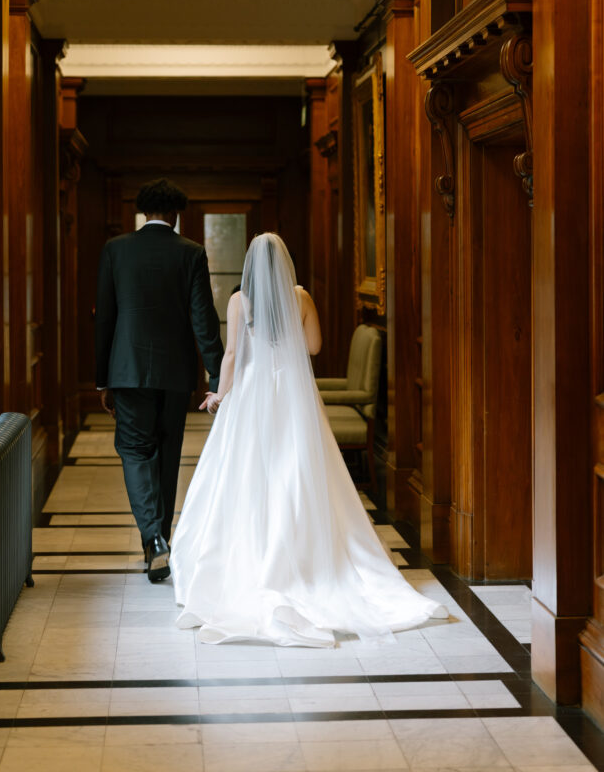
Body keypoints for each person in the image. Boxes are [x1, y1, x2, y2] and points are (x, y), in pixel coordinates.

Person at [171, 232, 446, 646]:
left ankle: (248, 558)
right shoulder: (300, 298)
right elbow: (314, 348)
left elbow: (231, 356)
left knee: (244, 474)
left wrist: (220, 394)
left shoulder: (239, 300)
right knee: (297, 471)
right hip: (293, 397)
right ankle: (305, 555)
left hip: (251, 395)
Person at [95, 178, 223, 583]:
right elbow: (204, 320)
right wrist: (218, 376)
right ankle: (159, 541)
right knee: (168, 456)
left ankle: (153, 542)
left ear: (143, 212)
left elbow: (106, 319)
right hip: (175, 374)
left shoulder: (116, 249)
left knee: (135, 452)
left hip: (127, 370)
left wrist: (103, 380)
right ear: (175, 215)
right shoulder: (191, 253)